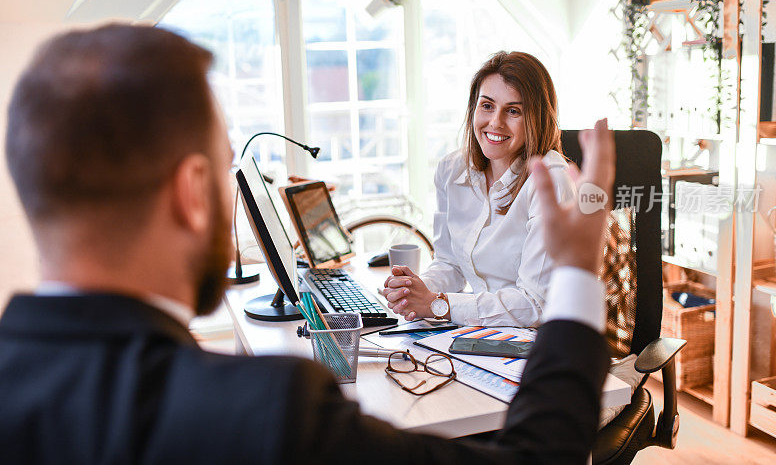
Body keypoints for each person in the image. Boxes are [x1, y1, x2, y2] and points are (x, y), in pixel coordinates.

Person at [0, 24, 614, 464]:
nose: (495, 124)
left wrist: (437, 301)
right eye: (220, 169)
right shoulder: (273, 413)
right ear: (193, 192)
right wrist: (579, 276)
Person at [382, 51, 574, 327]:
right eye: (487, 106)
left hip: (534, 344)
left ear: (536, 119)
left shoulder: (550, 182)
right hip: (478, 334)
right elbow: (450, 264)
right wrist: (414, 291)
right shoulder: (452, 170)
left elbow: (535, 304)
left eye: (513, 111)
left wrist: (438, 304)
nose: (495, 122)